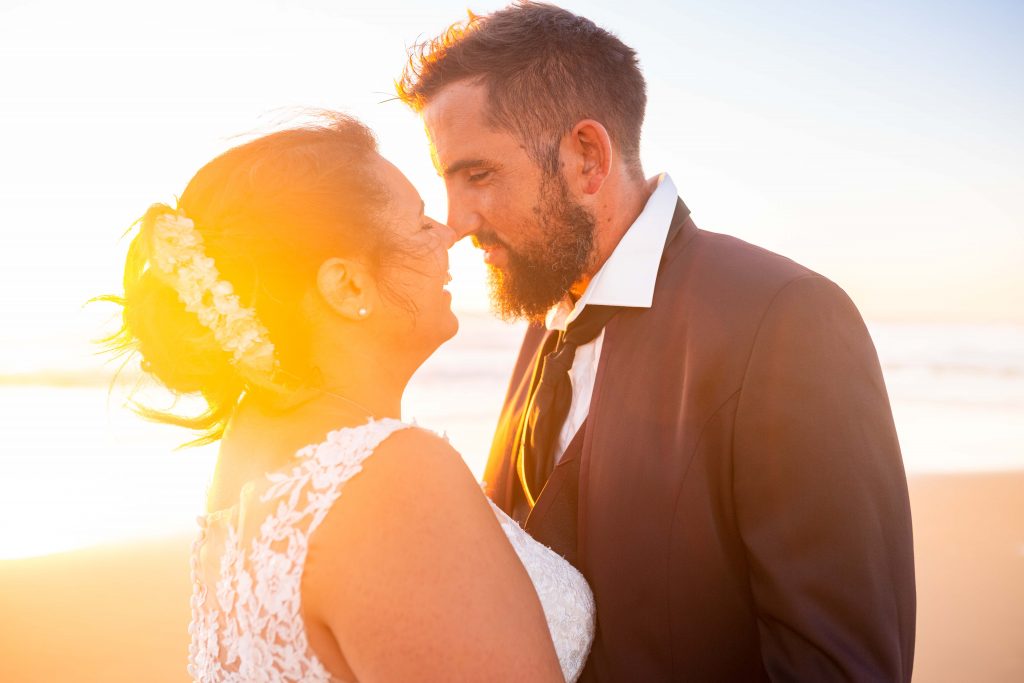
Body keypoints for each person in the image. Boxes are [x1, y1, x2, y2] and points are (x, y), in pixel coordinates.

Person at [397, 3, 916, 681]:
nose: (458, 221)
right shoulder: (544, 324)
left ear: (588, 157)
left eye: (479, 175)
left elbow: (843, 668)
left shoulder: (787, 318)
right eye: (448, 181)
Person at [102, 115, 594, 681]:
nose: (448, 233)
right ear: (347, 286)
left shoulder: (249, 462)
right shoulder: (393, 476)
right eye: (418, 225)